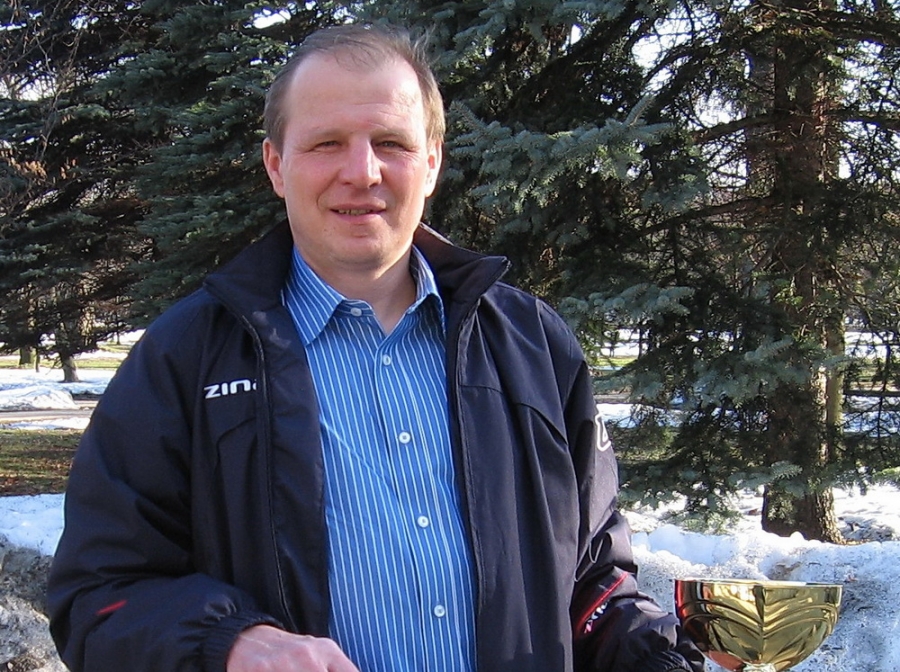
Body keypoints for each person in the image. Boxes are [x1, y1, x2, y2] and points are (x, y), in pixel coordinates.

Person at [47, 23, 704, 672]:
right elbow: (97, 598)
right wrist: (232, 642)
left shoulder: (532, 344)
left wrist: (660, 657)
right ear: (276, 166)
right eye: (326, 143)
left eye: (390, 142)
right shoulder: (186, 358)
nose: (362, 172)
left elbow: (593, 579)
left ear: (432, 162)